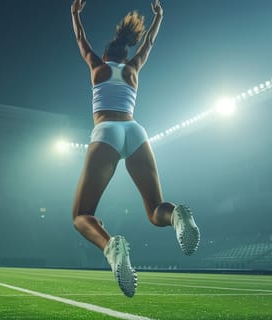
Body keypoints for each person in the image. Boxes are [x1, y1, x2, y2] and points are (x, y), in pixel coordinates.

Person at [70, 0, 200, 297]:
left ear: (105, 55)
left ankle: (111, 247)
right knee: (156, 210)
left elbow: (80, 40)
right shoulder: (133, 69)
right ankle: (178, 215)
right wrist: (159, 17)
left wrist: (74, 14)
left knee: (82, 215)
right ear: (126, 54)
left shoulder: (97, 67)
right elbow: (150, 42)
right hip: (136, 131)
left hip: (106, 130)